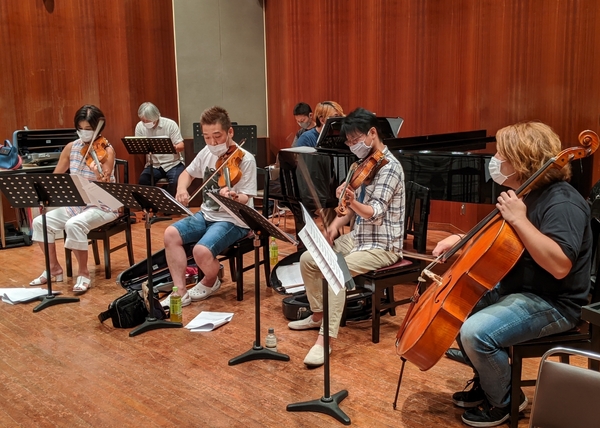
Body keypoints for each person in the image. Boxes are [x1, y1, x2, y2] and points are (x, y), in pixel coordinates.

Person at [432, 122, 593, 427]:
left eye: (501, 156)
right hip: (518, 289)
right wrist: (461, 240)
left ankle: (505, 400)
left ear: (521, 160)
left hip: (554, 303)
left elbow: (560, 265)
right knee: (453, 309)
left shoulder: (562, 202)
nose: (495, 161)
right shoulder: (527, 193)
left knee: (476, 332)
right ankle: (489, 382)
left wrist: (520, 220)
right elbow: (500, 240)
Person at [287, 108, 406, 367]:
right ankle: (318, 315)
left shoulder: (390, 168)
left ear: (372, 133)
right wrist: (333, 227)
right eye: (349, 142)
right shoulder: (360, 165)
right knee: (308, 259)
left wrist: (351, 200)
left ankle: (325, 340)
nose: (352, 146)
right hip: (360, 237)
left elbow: (374, 212)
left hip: (383, 245)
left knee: (335, 270)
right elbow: (350, 210)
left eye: (355, 140)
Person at [161, 106, 257, 308]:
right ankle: (180, 292)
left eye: (217, 136)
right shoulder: (206, 152)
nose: (212, 143)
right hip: (206, 214)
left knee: (201, 251)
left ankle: (211, 280)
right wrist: (181, 188)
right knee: (170, 234)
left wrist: (234, 196)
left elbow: (246, 197)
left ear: (230, 132)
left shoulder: (246, 159)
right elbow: (187, 173)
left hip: (233, 219)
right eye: (207, 137)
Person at [30, 104, 119, 294]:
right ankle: (53, 268)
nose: (84, 133)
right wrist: (45, 196)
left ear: (98, 128)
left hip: (103, 206)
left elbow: (106, 184)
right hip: (76, 205)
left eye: (88, 129)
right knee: (39, 222)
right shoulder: (72, 148)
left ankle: (84, 274)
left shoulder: (107, 150)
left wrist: (97, 174)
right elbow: (56, 176)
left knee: (74, 225)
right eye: (80, 128)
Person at [135, 102, 185, 196]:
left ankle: (168, 203)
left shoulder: (170, 124)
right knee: (143, 180)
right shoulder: (140, 126)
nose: (145, 123)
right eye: (143, 120)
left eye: (148, 120)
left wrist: (173, 147)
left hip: (173, 163)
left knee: (175, 182)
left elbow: (181, 145)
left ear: (157, 116)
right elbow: (139, 146)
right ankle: (152, 204)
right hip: (154, 165)